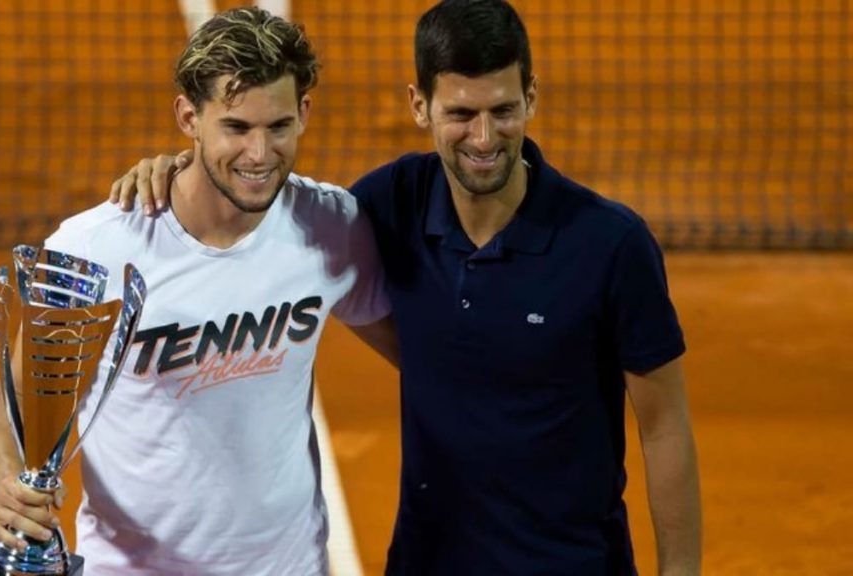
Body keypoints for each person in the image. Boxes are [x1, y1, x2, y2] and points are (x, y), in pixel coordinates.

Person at [111, 1, 702, 574]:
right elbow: (260, 206)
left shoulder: (610, 244)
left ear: (531, 98)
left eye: (503, 110)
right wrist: (177, 169)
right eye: (461, 114)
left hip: (570, 561)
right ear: (419, 106)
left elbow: (664, 425)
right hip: (428, 558)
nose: (483, 137)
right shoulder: (387, 206)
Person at [0, 7, 396, 575]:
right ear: (188, 117)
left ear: (303, 113)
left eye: (277, 126)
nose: (259, 154)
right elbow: (15, 403)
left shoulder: (330, 228)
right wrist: (11, 480)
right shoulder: (96, 249)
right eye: (236, 127)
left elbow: (422, 355)